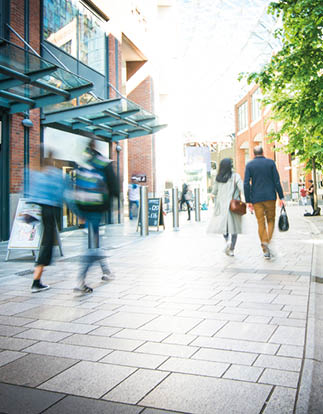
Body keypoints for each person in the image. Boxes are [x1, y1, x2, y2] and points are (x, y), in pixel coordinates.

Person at [74, 140, 119, 293]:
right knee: (93, 245)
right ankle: (81, 280)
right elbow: (113, 186)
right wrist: (112, 205)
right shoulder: (104, 163)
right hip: (96, 207)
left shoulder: (83, 163)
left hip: (84, 207)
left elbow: (76, 186)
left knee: (95, 239)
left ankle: (106, 271)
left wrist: (79, 211)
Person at [27, 151, 68, 292]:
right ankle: (36, 281)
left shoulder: (37, 173)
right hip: (51, 210)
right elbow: (64, 194)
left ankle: (37, 279)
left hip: (38, 210)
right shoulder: (56, 174)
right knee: (47, 244)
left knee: (47, 243)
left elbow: (29, 192)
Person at [244, 146, 285, 260]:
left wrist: (248, 200)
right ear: (263, 152)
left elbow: (246, 183)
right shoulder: (270, 163)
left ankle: (264, 246)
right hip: (270, 197)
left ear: (253, 153)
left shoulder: (250, 165)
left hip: (256, 198)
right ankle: (267, 242)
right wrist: (281, 197)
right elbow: (276, 180)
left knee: (260, 222)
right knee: (271, 220)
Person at [207, 158, 244, 256]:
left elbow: (214, 192)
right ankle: (231, 249)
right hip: (234, 206)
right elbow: (242, 188)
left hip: (221, 206)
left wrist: (211, 196)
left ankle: (227, 240)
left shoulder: (218, 178)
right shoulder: (236, 176)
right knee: (234, 229)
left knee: (224, 227)